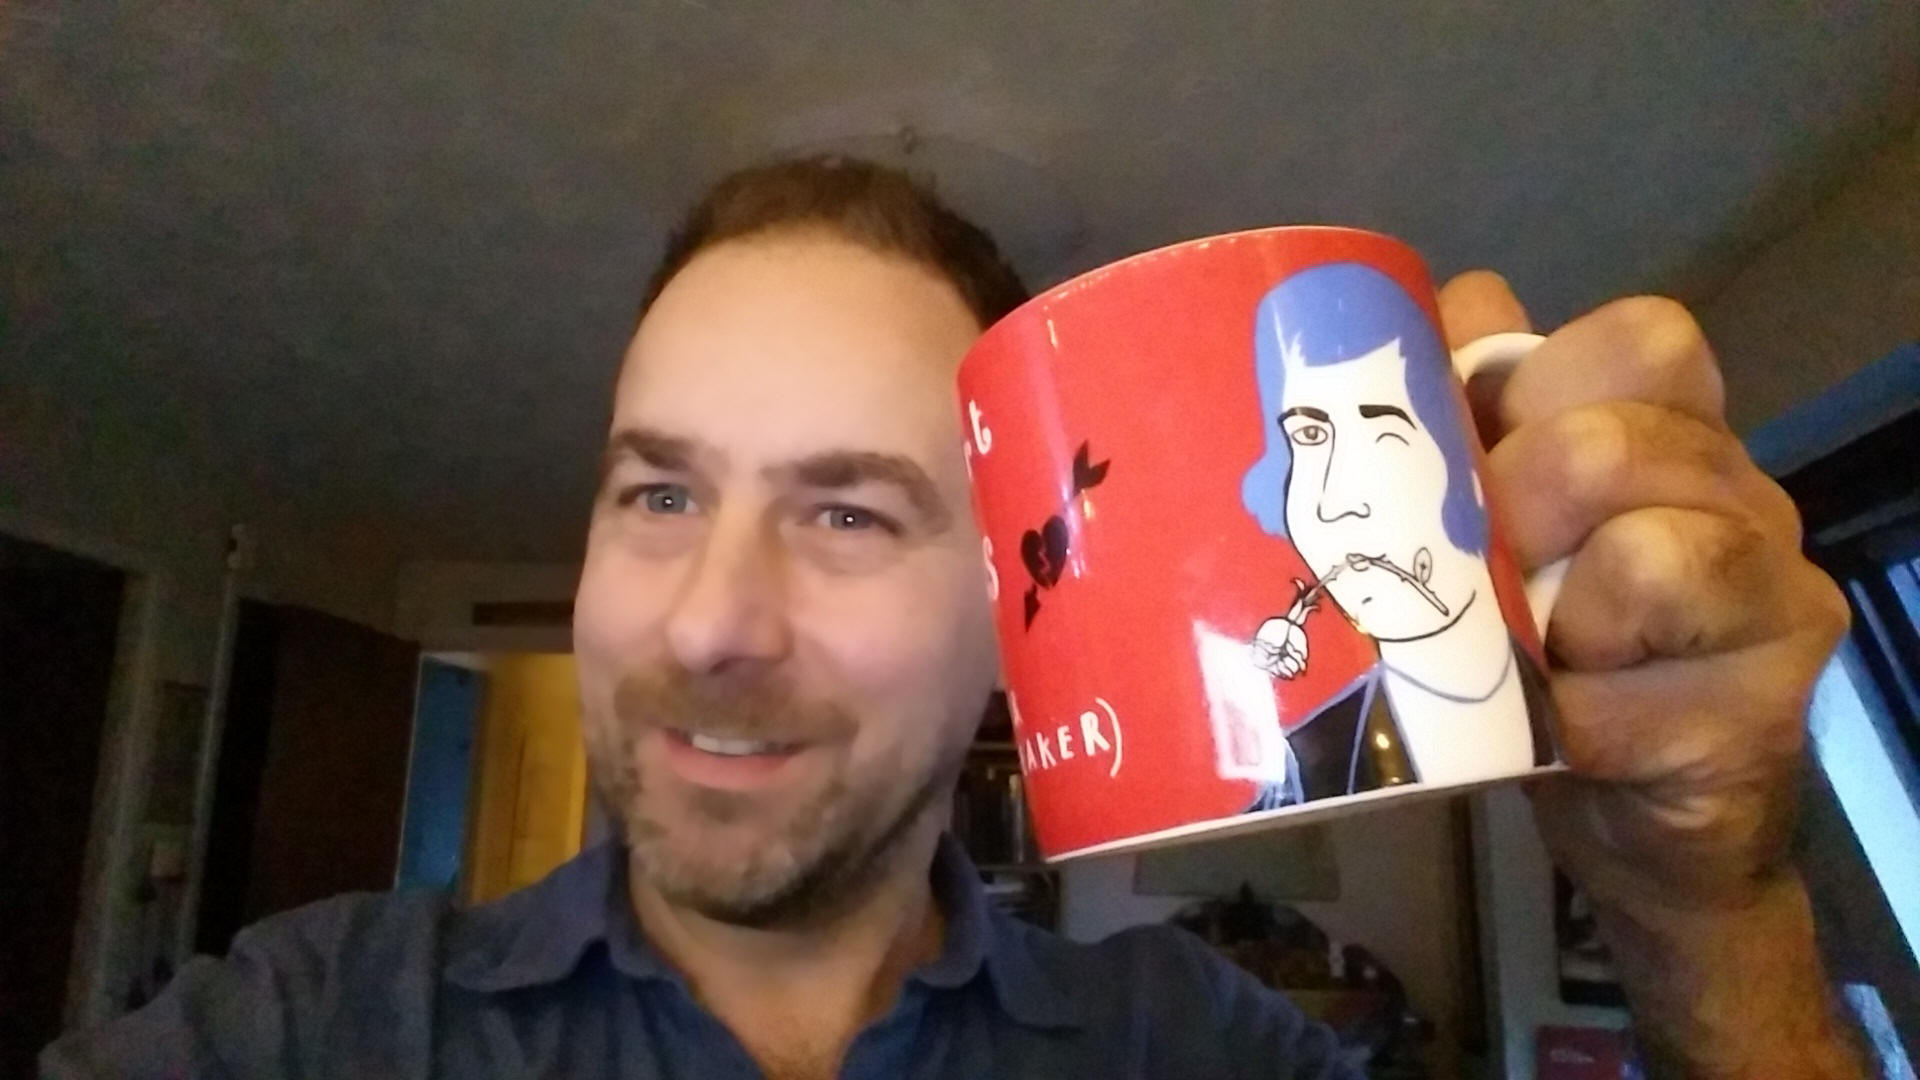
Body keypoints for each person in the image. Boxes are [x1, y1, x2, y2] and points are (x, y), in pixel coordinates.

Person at [43, 156, 1862, 1079]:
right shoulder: (317, 1026)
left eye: (847, 511)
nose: (713, 625)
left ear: (1020, 619)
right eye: (660, 494)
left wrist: (1710, 918)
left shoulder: (1192, 1051)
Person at [1241, 261, 1556, 809]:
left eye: (1385, 431)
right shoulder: (1298, 778)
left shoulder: (1573, 700)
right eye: (1309, 435)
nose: (1335, 502)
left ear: (1467, 465)